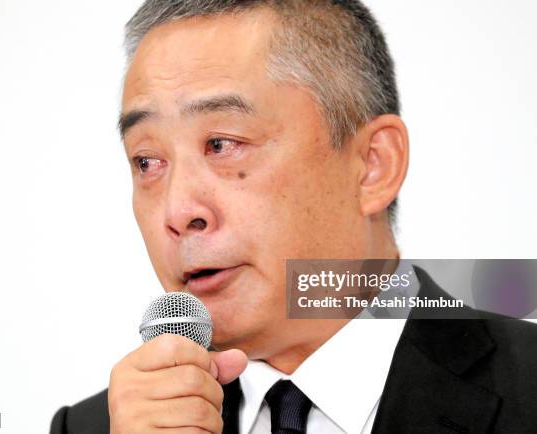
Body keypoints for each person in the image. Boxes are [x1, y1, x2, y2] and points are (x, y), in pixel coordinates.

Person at [50, 1, 537, 433]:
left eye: (222, 145)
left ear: (373, 166)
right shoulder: (96, 427)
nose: (178, 212)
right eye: (147, 162)